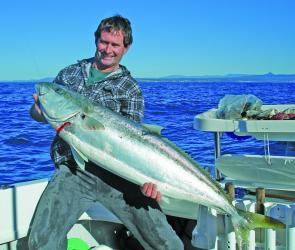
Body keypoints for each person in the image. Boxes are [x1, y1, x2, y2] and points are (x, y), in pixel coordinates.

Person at [29, 15, 183, 250]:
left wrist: (148, 181)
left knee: (168, 245)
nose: (107, 50)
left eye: (115, 45)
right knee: (41, 242)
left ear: (126, 48)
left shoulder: (129, 88)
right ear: (96, 41)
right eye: (104, 42)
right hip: (74, 171)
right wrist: (40, 112)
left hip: (120, 177)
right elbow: (39, 112)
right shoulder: (69, 75)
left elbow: (133, 142)